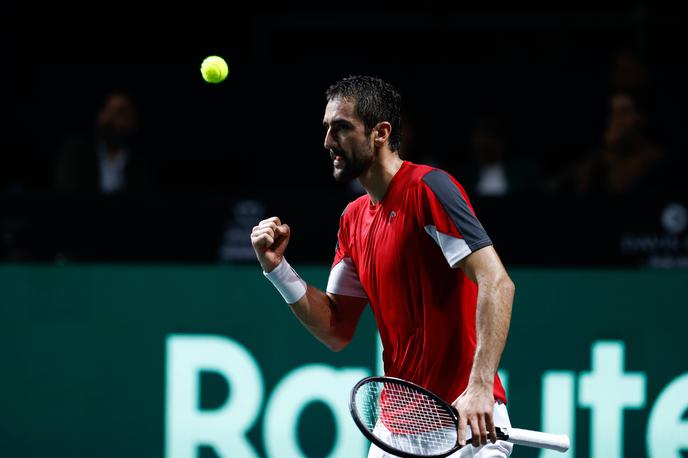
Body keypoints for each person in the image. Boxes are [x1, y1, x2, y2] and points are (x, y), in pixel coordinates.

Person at [250, 76, 515, 457]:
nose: (328, 142)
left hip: (466, 425)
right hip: (395, 432)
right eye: (326, 129)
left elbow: (497, 282)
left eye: (341, 128)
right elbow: (335, 329)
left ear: (380, 132)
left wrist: (479, 386)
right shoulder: (353, 219)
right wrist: (278, 270)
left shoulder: (430, 189)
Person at [53, 91, 152, 194]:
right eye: (107, 110)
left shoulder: (140, 165)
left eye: (120, 112)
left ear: (133, 122)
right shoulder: (77, 154)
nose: (110, 119)